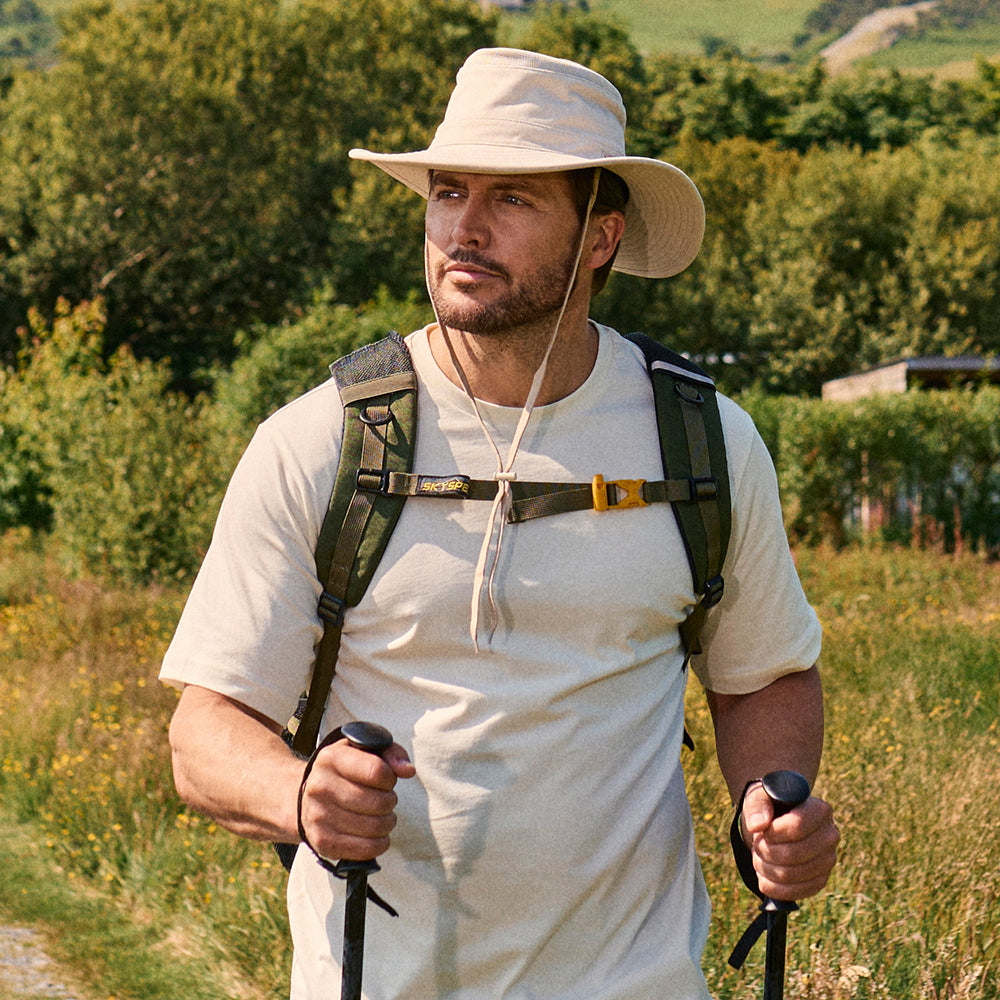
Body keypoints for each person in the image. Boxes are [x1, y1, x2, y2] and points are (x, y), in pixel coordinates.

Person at [162, 47, 839, 1000]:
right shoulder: (322, 442)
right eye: (447, 193)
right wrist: (300, 797)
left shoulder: (705, 444)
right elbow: (205, 733)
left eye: (512, 200)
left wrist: (769, 807)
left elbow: (763, 674)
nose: (464, 229)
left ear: (600, 240)